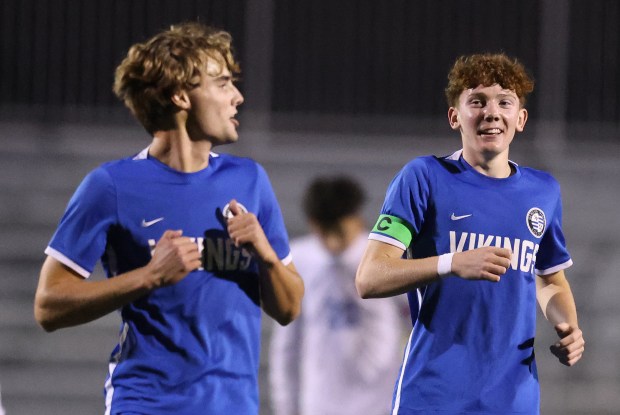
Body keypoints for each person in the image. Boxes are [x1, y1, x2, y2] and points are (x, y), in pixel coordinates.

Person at [34, 22, 304, 415]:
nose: (238, 97)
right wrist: (149, 276)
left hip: (234, 407)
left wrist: (265, 254)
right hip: (147, 404)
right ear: (181, 95)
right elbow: (48, 306)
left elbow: (289, 308)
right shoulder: (111, 185)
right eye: (223, 83)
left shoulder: (249, 180)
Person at [355, 53, 585, 414]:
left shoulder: (543, 191)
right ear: (454, 117)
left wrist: (568, 325)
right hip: (434, 396)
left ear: (520, 119)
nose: (491, 112)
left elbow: (550, 277)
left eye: (504, 102)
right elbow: (369, 278)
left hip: (514, 398)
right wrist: (451, 263)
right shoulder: (423, 178)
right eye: (476, 101)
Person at [269, 175, 406, 415]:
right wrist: (286, 407)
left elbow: (416, 327)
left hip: (381, 404)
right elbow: (286, 346)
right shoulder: (299, 260)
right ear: (314, 225)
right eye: (325, 233)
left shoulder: (387, 258)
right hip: (321, 405)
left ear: (357, 220)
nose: (333, 243)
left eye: (340, 232)